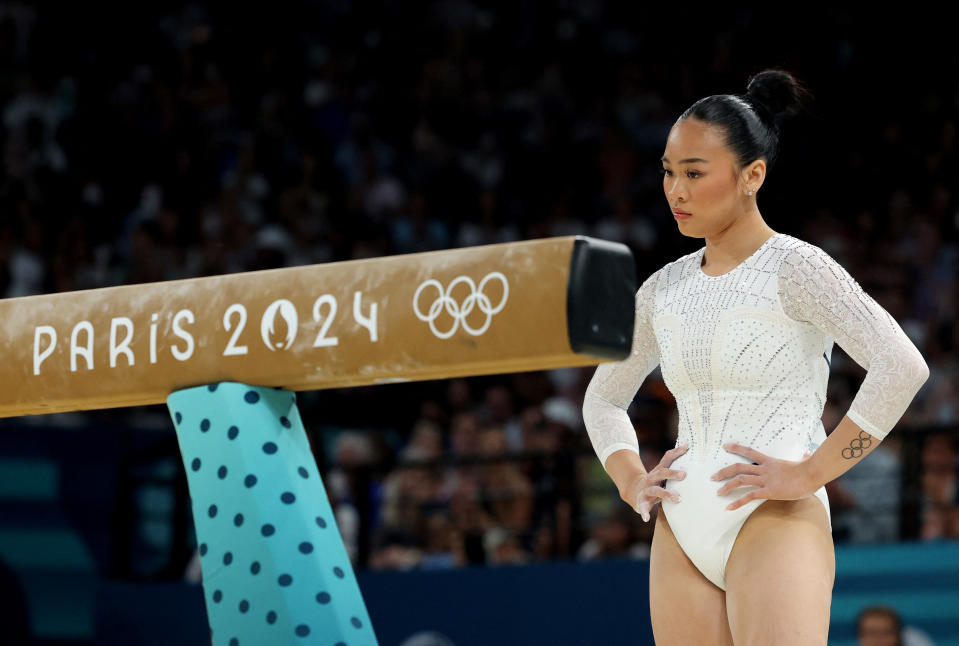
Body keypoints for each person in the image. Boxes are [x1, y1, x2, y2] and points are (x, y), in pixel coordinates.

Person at [581, 69, 930, 645]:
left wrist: (814, 472)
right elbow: (604, 398)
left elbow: (903, 367)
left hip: (775, 515)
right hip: (681, 524)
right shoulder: (661, 289)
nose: (677, 191)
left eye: (695, 173)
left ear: (752, 176)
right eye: (669, 172)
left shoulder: (798, 268)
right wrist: (629, 478)